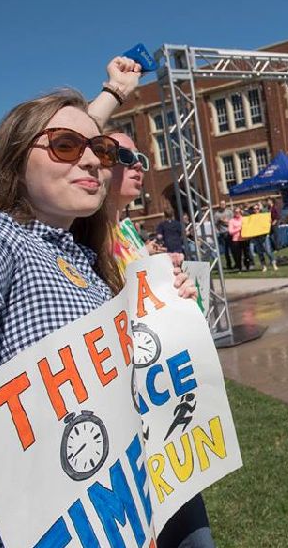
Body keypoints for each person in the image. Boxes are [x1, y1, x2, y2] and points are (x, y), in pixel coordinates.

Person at [0, 68, 197, 547]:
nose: (93, 162)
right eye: (65, 146)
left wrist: (164, 309)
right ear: (18, 162)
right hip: (38, 528)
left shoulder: (82, 259)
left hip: (113, 514)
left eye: (101, 151)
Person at [106, 134, 212, 548]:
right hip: (130, 429)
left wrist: (176, 287)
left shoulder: (128, 230)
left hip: (166, 412)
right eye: (125, 157)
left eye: (142, 158)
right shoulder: (85, 242)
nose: (138, 166)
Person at [248, 203, 278, 272]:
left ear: (259, 209)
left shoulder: (263, 216)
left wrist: (269, 222)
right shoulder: (251, 218)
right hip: (256, 237)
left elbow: (268, 223)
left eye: (257, 208)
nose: (256, 210)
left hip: (264, 236)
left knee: (268, 251)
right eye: (254, 209)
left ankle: (273, 263)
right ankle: (263, 266)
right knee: (260, 253)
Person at [214, 201, 234, 269]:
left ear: (225, 204)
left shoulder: (229, 212)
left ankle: (237, 263)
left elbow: (233, 221)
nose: (222, 205)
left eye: (223, 204)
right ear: (219, 205)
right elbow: (215, 224)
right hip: (223, 233)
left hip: (231, 232)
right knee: (226, 250)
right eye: (221, 204)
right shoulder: (217, 214)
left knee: (234, 249)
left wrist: (225, 221)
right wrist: (219, 230)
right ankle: (229, 264)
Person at [228, 207, 249, 272]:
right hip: (236, 240)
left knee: (247, 255)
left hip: (244, 239)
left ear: (241, 212)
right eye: (236, 212)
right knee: (238, 255)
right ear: (234, 213)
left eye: (239, 212)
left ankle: (247, 267)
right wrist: (239, 229)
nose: (238, 213)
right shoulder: (231, 221)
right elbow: (230, 232)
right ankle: (239, 268)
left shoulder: (244, 219)